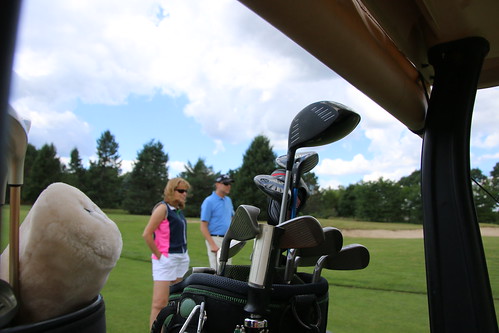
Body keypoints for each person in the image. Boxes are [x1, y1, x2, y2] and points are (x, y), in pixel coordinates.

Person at [143, 177, 191, 328]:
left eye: (186, 191)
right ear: (172, 190)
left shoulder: (178, 211)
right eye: (181, 191)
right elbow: (147, 234)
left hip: (181, 259)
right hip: (165, 258)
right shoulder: (162, 208)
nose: (184, 194)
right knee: (159, 303)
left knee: (176, 301)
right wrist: (160, 257)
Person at [200, 174, 235, 270]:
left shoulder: (228, 200)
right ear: (217, 184)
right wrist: (212, 245)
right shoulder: (209, 201)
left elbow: (232, 218)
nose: (229, 186)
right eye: (226, 183)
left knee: (227, 270)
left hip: (228, 240)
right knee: (217, 271)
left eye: (230, 184)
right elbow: (203, 226)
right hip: (215, 239)